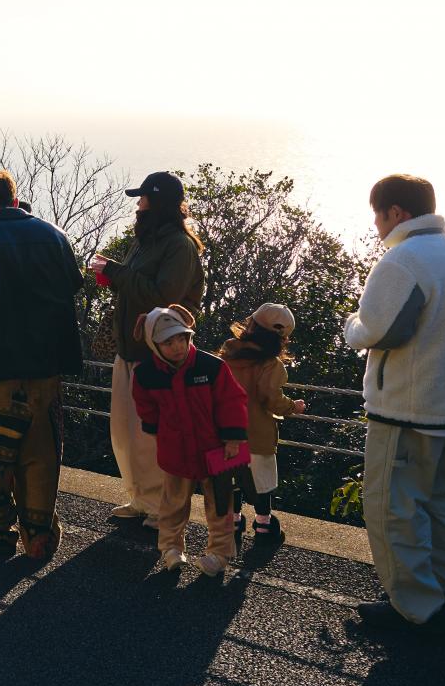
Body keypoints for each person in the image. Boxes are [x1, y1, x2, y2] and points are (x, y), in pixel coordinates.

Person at [346, 174, 445, 633]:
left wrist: (350, 326)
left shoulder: (403, 260)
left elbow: (376, 330)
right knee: (440, 503)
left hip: (405, 411)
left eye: (378, 213)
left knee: (394, 510)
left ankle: (413, 608)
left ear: (396, 213)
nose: (375, 224)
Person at [0, 168, 85, 560]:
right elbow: (73, 284)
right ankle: (39, 538)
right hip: (46, 368)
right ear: (14, 197)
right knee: (41, 456)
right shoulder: (54, 236)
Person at [87, 171, 206, 526]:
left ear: (157, 203)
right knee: (126, 434)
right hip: (131, 350)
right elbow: (139, 286)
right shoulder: (148, 240)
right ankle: (141, 498)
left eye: (143, 199)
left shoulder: (180, 246)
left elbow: (164, 297)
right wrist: (114, 277)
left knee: (152, 437)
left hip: (159, 355)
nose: (138, 205)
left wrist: (117, 272)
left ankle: (163, 507)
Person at [132, 304, 248, 576]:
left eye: (182, 338)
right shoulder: (145, 373)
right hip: (176, 451)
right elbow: (145, 405)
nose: (177, 346)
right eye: (168, 342)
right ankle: (171, 549)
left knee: (221, 505)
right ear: (154, 344)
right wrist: (156, 430)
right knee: (172, 505)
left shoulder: (212, 366)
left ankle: (219, 554)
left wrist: (233, 439)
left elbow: (232, 401)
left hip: (216, 449)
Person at [220, 302, 305, 557]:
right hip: (258, 435)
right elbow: (271, 398)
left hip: (225, 432)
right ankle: (264, 526)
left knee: (232, 480)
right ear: (282, 337)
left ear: (251, 324)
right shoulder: (272, 364)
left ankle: (233, 522)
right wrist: (294, 406)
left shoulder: (228, 352)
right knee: (262, 482)